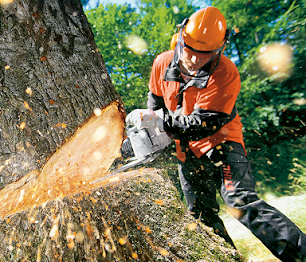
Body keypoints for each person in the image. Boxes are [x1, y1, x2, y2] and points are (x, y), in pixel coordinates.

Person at [126, 6, 306, 261]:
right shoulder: (161, 63)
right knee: (201, 217)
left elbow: (203, 124)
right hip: (186, 151)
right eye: (190, 51)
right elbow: (155, 104)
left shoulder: (226, 72)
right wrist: (153, 126)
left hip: (223, 145)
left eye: (205, 54)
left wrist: (160, 120)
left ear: (219, 49)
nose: (195, 59)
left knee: (241, 203)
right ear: (181, 39)